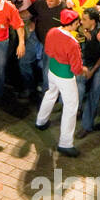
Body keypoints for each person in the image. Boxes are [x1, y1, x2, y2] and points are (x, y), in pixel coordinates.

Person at [35, 8, 85, 157]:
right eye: (77, 22)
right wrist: (84, 69)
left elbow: (48, 51)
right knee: (71, 108)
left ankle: (41, 121)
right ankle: (65, 143)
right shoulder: (73, 43)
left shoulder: (52, 31)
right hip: (66, 76)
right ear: (73, 23)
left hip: (52, 69)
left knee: (50, 94)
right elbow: (76, 68)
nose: (78, 24)